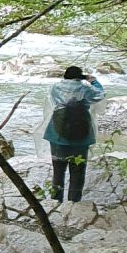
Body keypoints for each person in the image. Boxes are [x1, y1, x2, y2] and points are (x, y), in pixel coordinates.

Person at [43, 65, 104, 203]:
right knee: (78, 171)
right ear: (80, 77)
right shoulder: (86, 88)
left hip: (57, 132)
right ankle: (74, 201)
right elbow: (100, 94)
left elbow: (52, 101)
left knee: (58, 171)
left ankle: (55, 201)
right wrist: (93, 81)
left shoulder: (55, 87)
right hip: (81, 133)